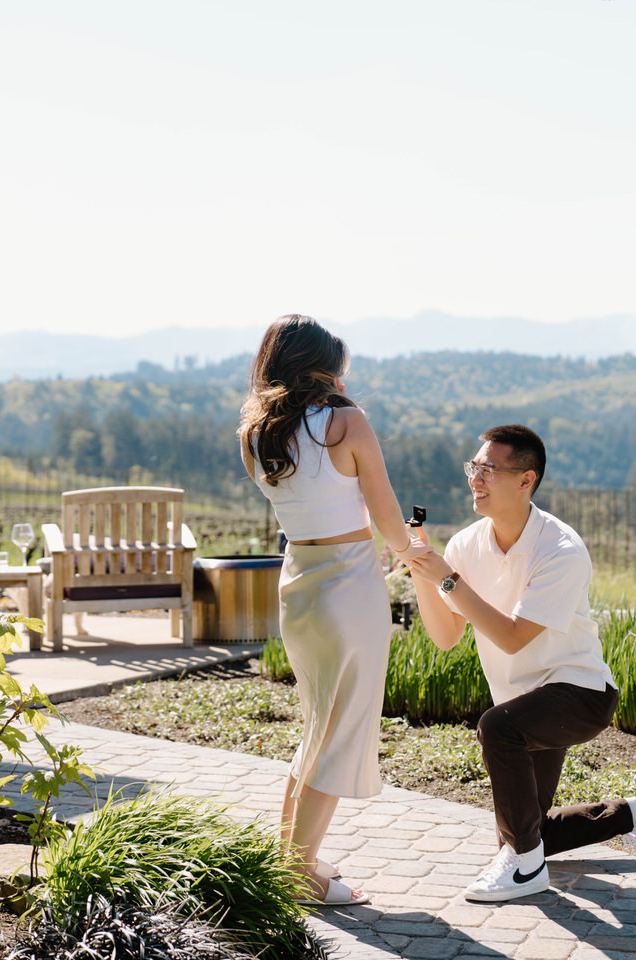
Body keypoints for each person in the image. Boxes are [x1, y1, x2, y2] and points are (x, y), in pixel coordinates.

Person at [406, 424, 636, 903]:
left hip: (580, 693)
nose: (475, 480)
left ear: (526, 480)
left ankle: (527, 872)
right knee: (522, 833)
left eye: (487, 470)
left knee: (499, 738)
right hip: (523, 703)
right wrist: (424, 571)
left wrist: (447, 580)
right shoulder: (467, 546)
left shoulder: (561, 550)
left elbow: (511, 638)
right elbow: (446, 637)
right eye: (474, 468)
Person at [238, 314, 429, 907]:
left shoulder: (256, 434)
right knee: (342, 727)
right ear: (324, 368)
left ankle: (291, 858)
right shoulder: (345, 422)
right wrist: (414, 556)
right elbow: (386, 513)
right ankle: (299, 873)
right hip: (349, 582)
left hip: (299, 581)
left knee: (319, 721)